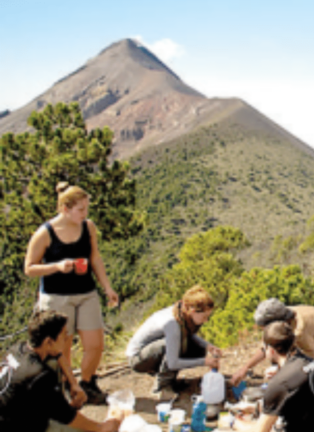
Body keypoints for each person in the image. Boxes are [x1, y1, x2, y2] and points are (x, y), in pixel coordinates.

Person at [24, 182, 120, 405]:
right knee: (62, 349)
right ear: (65, 209)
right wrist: (57, 266)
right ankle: (70, 388)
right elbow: (29, 268)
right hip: (57, 296)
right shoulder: (45, 233)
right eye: (81, 209)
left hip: (86, 292)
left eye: (86, 208)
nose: (85, 214)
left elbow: (95, 257)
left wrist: (107, 287)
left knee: (95, 344)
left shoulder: (88, 227)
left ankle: (87, 383)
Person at [0, 310, 124, 432]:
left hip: (9, 414)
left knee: (53, 362)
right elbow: (68, 417)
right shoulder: (40, 375)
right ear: (49, 341)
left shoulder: (18, 349)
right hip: (17, 426)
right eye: (63, 335)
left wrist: (73, 383)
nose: (66, 338)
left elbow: (58, 354)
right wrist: (103, 427)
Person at [231, 299, 314, 396]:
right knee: (279, 353)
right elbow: (265, 347)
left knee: (291, 360)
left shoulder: (300, 331)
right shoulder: (282, 314)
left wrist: (283, 370)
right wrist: (245, 368)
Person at [125, 286, 222, 399]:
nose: (206, 320)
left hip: (152, 350)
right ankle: (162, 387)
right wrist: (205, 362)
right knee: (177, 345)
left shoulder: (182, 312)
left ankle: (170, 381)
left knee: (198, 349)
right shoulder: (172, 324)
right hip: (138, 359)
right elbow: (173, 362)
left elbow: (187, 335)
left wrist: (207, 346)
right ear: (193, 311)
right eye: (205, 316)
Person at [247, 321, 314, 432]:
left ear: (271, 350)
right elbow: (298, 402)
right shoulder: (311, 364)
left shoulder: (280, 383)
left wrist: (235, 423)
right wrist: (256, 408)